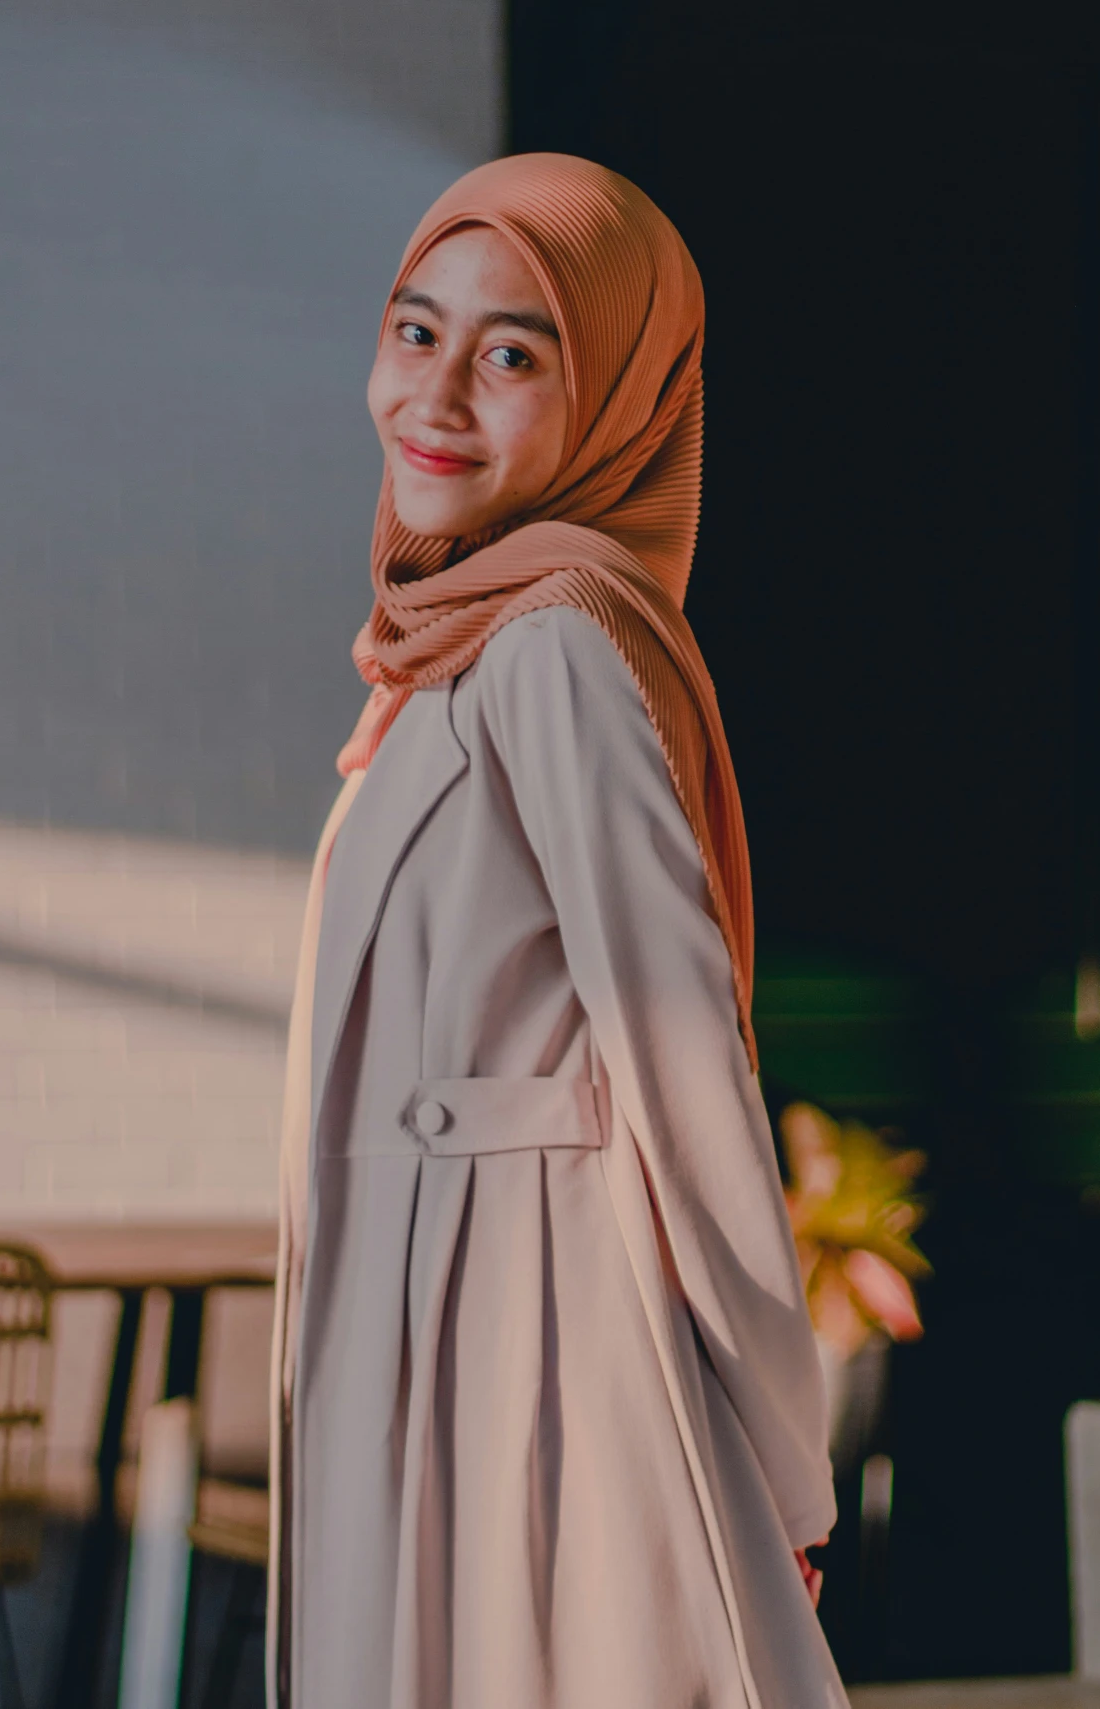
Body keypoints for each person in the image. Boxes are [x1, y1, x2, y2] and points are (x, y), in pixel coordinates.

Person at [267, 153, 846, 1709]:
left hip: (534, 1353)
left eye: (514, 351)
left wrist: (784, 1457)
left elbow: (683, 1055)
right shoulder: (445, 654)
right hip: (424, 1337)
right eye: (413, 330)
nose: (436, 392)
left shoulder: (556, 646)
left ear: (619, 399)